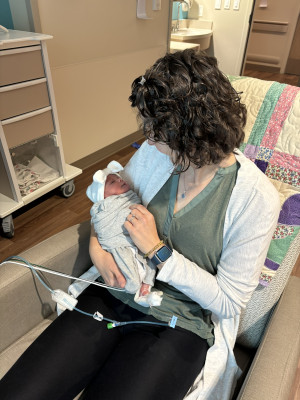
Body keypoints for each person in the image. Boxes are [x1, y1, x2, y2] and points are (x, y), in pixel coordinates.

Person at [0, 49, 280, 400]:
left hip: (179, 324)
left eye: (157, 133)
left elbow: (227, 302)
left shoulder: (255, 199)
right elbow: (108, 206)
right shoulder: (155, 155)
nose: (147, 141)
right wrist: (98, 252)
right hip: (114, 295)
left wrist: (157, 251)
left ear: (193, 134)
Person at [86, 160, 163, 306]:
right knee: (130, 277)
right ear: (102, 196)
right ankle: (138, 290)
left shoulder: (130, 197)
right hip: (119, 243)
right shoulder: (104, 207)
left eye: (118, 177)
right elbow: (100, 221)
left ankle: (145, 290)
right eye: (112, 182)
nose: (119, 179)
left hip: (139, 240)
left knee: (150, 265)